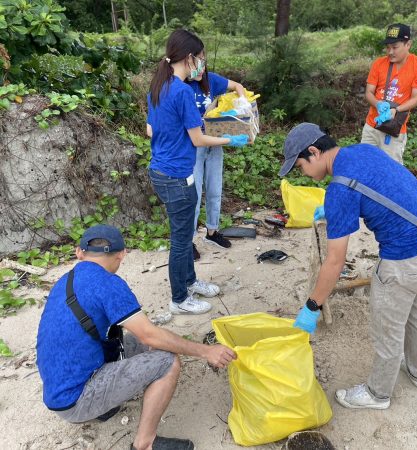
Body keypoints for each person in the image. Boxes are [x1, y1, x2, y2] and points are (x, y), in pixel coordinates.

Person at [278, 123, 417, 410]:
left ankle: (378, 394)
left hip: (402, 260)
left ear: (314, 152)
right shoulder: (364, 151)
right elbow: (386, 187)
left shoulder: (339, 189)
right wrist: (336, 211)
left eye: (300, 165)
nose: (302, 173)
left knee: (387, 329)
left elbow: (334, 260)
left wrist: (311, 306)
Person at [36, 225, 237, 450]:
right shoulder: (108, 283)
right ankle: (145, 443)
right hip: (75, 399)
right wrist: (207, 351)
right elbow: (151, 335)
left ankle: (104, 407)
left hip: (57, 389)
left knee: (132, 340)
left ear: (79, 253)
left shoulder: (66, 279)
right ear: (122, 254)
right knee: (168, 361)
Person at [146, 29, 248, 315]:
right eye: (201, 58)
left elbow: (150, 129)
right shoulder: (180, 92)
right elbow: (198, 139)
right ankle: (179, 299)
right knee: (180, 241)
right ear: (189, 58)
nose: (202, 65)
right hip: (178, 175)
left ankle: (190, 281)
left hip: (162, 171)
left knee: (182, 236)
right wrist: (232, 138)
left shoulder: (158, 86)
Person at [188, 55, 248, 250]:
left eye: (203, 60)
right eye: (198, 59)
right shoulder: (181, 86)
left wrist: (242, 103)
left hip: (214, 143)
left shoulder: (211, 79)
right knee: (194, 196)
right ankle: (188, 242)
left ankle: (212, 232)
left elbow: (237, 86)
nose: (201, 64)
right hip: (193, 147)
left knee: (215, 190)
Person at [361, 23, 417, 164]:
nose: (390, 52)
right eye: (388, 47)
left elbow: (415, 99)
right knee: (366, 165)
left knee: (391, 170)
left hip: (393, 130)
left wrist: (395, 110)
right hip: (371, 126)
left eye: (395, 47)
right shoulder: (378, 64)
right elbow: (369, 93)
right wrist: (378, 104)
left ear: (408, 44)